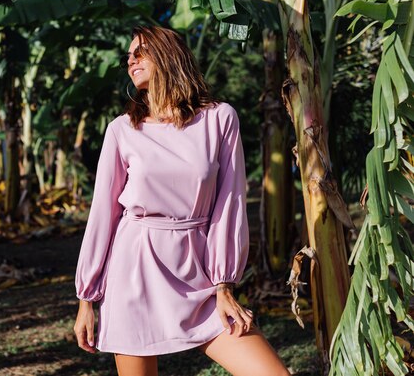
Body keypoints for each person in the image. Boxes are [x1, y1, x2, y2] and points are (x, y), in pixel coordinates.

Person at [73, 25, 290, 376]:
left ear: (169, 56)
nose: (131, 60)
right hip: (135, 269)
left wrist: (224, 284)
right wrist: (87, 299)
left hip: (198, 271)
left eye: (140, 51)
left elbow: (230, 203)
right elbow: (103, 214)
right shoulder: (122, 129)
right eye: (129, 56)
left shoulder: (219, 118)